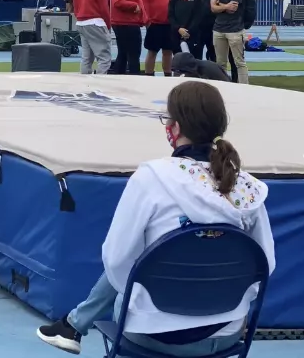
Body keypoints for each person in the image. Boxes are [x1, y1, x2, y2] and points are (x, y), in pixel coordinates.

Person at [37, 81, 275, 356]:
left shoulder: (151, 178)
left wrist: (154, 299)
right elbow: (265, 265)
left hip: (150, 333)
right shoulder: (247, 189)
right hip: (225, 333)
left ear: (174, 127)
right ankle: (73, 323)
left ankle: (74, 324)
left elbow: (116, 259)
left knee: (138, 259)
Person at [209, 0, 249, 84]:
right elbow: (213, 8)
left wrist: (220, 5)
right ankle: (223, 88)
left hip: (235, 29)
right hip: (219, 28)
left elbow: (233, 8)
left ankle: (245, 89)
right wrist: (225, 6)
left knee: (239, 62)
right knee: (220, 63)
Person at [140, 0, 180, 76]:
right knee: (152, 51)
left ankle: (167, 75)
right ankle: (149, 75)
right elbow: (143, 1)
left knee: (168, 51)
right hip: (155, 23)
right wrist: (147, 20)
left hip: (170, 23)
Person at [72, 0, 111, 74]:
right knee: (104, 58)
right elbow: (104, 7)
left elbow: (75, 6)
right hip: (95, 22)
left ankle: (85, 85)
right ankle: (99, 85)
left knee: (86, 58)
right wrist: (108, 25)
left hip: (81, 22)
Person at [110, 0, 145, 75]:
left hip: (125, 23)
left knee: (124, 54)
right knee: (133, 55)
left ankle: (121, 78)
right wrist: (134, 5)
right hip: (127, 24)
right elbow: (118, 2)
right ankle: (134, 78)